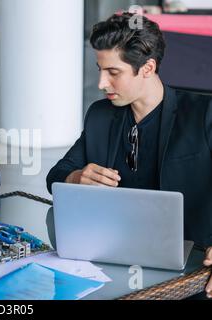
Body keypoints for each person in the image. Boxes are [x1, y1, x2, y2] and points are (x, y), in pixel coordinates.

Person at [46, 12, 212, 297]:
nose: (101, 83)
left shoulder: (203, 114)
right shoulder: (100, 116)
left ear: (147, 67)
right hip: (112, 264)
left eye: (113, 72)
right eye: (100, 69)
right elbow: (55, 176)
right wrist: (75, 176)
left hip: (191, 271)